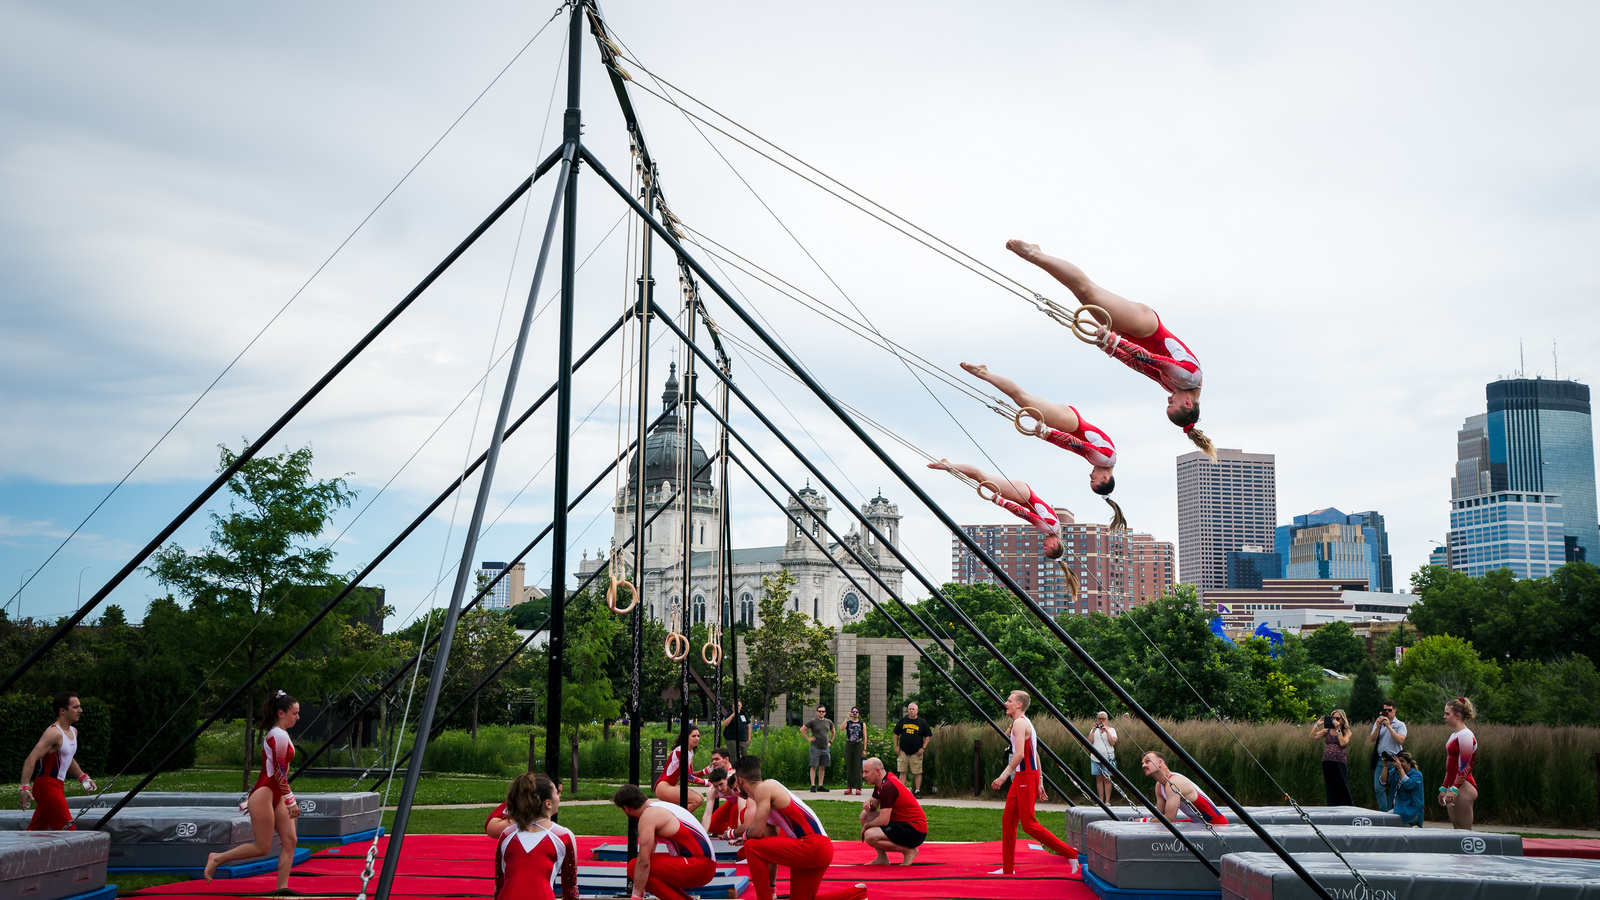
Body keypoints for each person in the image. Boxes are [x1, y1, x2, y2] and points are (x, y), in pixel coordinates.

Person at [1006, 241, 1214, 460]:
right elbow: (1150, 358)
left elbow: (1139, 366)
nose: (1169, 400)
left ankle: (1038, 257)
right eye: (1172, 404)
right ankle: (1035, 254)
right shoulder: (1190, 377)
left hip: (1131, 337)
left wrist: (1111, 349)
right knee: (1089, 291)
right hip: (1146, 327)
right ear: (1188, 404)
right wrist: (1116, 344)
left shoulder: (1172, 386)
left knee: (1083, 296)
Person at [959, 363, 1125, 531]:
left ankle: (985, 373)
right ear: (1105, 478)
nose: (1091, 474)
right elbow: (1075, 444)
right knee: (1021, 398)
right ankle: (983, 373)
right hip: (1069, 423)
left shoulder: (1106, 461)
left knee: (1022, 399)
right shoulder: (1104, 459)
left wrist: (1048, 436)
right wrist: (1048, 433)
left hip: (1068, 422)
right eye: (1093, 479)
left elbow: (1071, 446)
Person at [204, 691, 301, 888]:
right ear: (281, 713)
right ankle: (217, 858)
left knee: (290, 840)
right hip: (265, 793)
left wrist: (284, 797)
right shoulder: (278, 735)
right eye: (294, 713)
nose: (298, 718)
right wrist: (291, 800)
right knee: (262, 847)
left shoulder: (282, 734)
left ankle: (282, 888)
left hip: (275, 794)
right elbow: (279, 772)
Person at [732, 756, 862, 900]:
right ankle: (858, 894)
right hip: (819, 848)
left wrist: (742, 838)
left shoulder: (764, 788)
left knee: (751, 846)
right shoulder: (767, 794)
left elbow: (755, 833)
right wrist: (772, 888)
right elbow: (767, 848)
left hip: (812, 845)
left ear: (741, 781)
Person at [991, 691, 1073, 874]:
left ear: (1019, 705)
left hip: (1025, 776)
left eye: (1010, 701)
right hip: (1026, 776)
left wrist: (1003, 776)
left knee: (1029, 824)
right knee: (1008, 821)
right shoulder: (1024, 722)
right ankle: (1008, 868)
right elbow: (1034, 754)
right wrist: (1040, 781)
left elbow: (1020, 754)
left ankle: (1071, 853)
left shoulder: (1020, 723)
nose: (1006, 703)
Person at [927, 460, 1064, 563]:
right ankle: (949, 465)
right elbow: (1025, 514)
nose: (1043, 545)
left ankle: (950, 466)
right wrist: (1002, 502)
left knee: (981, 477)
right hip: (1022, 495)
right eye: (1046, 548)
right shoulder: (1050, 528)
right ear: (1054, 544)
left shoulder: (1054, 528)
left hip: (1023, 494)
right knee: (981, 477)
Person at [613, 784, 716, 900]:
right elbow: (649, 853)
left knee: (633, 867)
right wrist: (642, 883)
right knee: (642, 870)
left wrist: (636, 895)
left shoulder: (648, 816)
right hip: (704, 864)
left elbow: (643, 862)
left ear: (625, 808)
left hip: (700, 867)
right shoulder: (659, 806)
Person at [19, 692, 97, 831]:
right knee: (68, 829)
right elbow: (31, 759)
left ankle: (16, 852)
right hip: (46, 786)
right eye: (76, 707)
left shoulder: (73, 731)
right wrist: (24, 788)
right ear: (62, 710)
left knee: (37, 830)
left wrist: (83, 777)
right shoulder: (54, 733)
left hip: (57, 785)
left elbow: (67, 758)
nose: (80, 710)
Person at [492, 773, 577, 900]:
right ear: (548, 803)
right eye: (556, 793)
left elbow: (499, 886)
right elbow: (570, 890)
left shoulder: (507, 835)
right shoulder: (563, 836)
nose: (559, 796)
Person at [859, 757, 927, 866]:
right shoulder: (883, 781)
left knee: (870, 836)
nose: (863, 776)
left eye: (866, 772)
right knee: (865, 815)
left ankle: (909, 851)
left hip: (914, 829)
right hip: (904, 824)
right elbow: (875, 802)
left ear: (877, 771)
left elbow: (884, 820)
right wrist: (870, 804)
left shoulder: (887, 786)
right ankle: (882, 858)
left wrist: (866, 826)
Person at [1140, 751, 1228, 826]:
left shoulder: (1174, 782)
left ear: (1160, 763)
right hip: (1198, 823)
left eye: (1147, 762)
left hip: (1217, 824)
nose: (1143, 765)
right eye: (1142, 763)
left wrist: (1143, 821)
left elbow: (1170, 819)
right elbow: (1160, 817)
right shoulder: (1159, 786)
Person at [1440, 697, 1478, 831]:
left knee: (1464, 830)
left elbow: (1465, 766)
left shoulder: (1466, 735)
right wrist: (1444, 788)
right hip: (1454, 786)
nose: (1444, 717)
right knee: (1457, 828)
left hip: (1463, 786)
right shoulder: (1454, 735)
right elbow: (1449, 766)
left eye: (1447, 714)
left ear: (1458, 716)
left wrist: (1454, 789)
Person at [654, 727, 708, 812]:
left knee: (700, 798)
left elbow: (691, 774)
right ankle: (675, 821)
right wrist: (707, 782)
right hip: (663, 786)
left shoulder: (690, 752)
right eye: (693, 736)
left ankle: (676, 820)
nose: (697, 738)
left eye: (698, 736)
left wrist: (707, 771)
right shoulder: (681, 750)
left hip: (670, 786)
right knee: (696, 800)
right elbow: (688, 777)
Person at [1368, 700, 1408, 812]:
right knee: (1379, 788)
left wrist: (1389, 727)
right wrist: (1377, 727)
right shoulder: (1379, 723)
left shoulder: (1400, 725)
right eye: (1384, 710)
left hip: (1395, 759)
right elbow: (1372, 739)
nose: (1387, 712)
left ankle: (1394, 811)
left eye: (1389, 710)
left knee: (1395, 789)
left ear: (1395, 710)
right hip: (1382, 759)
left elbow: (1400, 740)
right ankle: (1383, 813)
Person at [1311, 709, 1353, 806]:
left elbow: (1343, 743)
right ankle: (1331, 805)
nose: (1335, 720)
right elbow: (1312, 736)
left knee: (1342, 784)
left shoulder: (1346, 732)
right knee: (1330, 785)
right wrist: (1317, 725)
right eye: (1333, 718)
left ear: (1342, 719)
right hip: (1327, 760)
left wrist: (1338, 729)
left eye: (1337, 718)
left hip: (1339, 761)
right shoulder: (1327, 730)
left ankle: (1346, 806)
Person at [892, 702, 930, 798]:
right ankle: (901, 791)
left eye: (913, 709)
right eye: (910, 709)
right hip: (903, 751)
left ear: (917, 711)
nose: (911, 711)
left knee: (917, 772)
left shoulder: (922, 722)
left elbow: (927, 736)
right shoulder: (902, 721)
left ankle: (917, 791)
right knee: (902, 771)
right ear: (907, 710)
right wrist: (896, 747)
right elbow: (896, 734)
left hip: (916, 752)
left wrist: (923, 748)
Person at [701, 768, 745, 838]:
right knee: (712, 826)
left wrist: (739, 835)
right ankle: (727, 832)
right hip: (731, 802)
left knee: (735, 808)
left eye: (721, 784)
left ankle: (735, 832)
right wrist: (703, 835)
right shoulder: (712, 791)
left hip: (743, 801)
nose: (719, 788)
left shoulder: (735, 785)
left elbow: (741, 809)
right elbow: (707, 813)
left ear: (727, 779)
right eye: (715, 786)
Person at [1089, 711, 1118, 806]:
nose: (1101, 721)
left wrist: (1107, 731)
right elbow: (1089, 742)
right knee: (1099, 779)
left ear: (1107, 719)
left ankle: (1107, 801)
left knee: (1107, 779)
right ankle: (1101, 800)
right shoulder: (1094, 730)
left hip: (1108, 758)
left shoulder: (1112, 730)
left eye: (1103, 719)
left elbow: (1112, 742)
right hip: (1095, 758)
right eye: (1099, 719)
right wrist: (1093, 731)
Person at [804, 705, 835, 793]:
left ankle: (820, 785)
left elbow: (833, 732)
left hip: (825, 748)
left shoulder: (828, 722)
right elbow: (802, 729)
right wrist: (808, 738)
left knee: (822, 767)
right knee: (814, 766)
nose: (821, 713)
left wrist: (830, 742)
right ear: (817, 712)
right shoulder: (813, 721)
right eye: (819, 711)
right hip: (815, 747)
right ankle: (813, 785)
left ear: (825, 712)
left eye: (823, 711)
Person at [1390, 752, 1424, 827]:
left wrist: (1400, 768)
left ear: (1409, 763)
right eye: (1398, 761)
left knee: (1392, 820)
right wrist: (1385, 765)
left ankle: (1410, 832)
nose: (1399, 763)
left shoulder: (1417, 774)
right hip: (1399, 809)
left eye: (1402, 761)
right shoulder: (1395, 773)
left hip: (1412, 811)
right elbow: (1383, 782)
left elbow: (1409, 785)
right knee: (1387, 819)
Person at [843, 708, 866, 796]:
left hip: (858, 745)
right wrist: (847, 718)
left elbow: (864, 736)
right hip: (849, 744)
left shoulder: (861, 724)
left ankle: (858, 787)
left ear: (859, 713)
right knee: (849, 766)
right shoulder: (848, 723)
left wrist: (864, 749)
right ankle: (849, 787)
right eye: (853, 712)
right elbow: (842, 728)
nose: (855, 713)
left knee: (857, 766)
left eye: (856, 712)